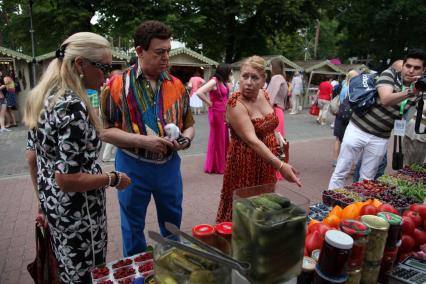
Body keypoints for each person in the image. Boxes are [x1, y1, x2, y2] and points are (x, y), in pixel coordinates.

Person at [23, 32, 131, 283]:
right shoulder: (72, 106)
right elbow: (68, 179)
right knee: (86, 275)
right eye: (104, 67)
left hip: (54, 206)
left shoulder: (43, 97)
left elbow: (32, 157)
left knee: (66, 269)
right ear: (80, 63)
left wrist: (42, 202)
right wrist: (112, 178)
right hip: (78, 214)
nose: (106, 74)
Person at [100, 20, 195, 256]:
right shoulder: (116, 85)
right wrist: (143, 141)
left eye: (168, 52)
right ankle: (136, 274)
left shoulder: (177, 86)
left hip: (168, 166)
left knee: (172, 222)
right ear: (140, 51)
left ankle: (173, 265)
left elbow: (190, 126)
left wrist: (185, 139)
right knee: (132, 226)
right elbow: (106, 130)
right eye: (159, 52)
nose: (166, 58)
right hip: (132, 166)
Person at [216, 56, 301, 223]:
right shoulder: (235, 104)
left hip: (267, 163)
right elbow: (252, 140)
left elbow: (269, 120)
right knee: (245, 210)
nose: (248, 82)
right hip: (246, 164)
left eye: (254, 77)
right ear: (238, 77)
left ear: (263, 80)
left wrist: (275, 134)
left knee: (265, 206)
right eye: (245, 76)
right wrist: (281, 165)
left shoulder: (264, 94)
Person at [329, 49, 425, 189]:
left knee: (367, 179)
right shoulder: (390, 74)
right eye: (408, 66)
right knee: (341, 171)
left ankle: (358, 208)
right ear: (403, 65)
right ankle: (329, 206)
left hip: (380, 137)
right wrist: (411, 91)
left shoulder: (422, 86)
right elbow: (385, 99)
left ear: (423, 70)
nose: (411, 70)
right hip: (358, 129)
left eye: (416, 68)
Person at [195, 64, 231, 174]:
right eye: (229, 72)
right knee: (218, 139)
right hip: (216, 113)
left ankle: (221, 164)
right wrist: (209, 102)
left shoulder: (222, 81)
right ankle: (217, 166)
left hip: (222, 113)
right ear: (225, 72)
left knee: (223, 138)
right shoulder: (214, 81)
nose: (230, 74)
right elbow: (199, 92)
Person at [332, 70, 359, 167]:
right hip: (349, 116)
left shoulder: (342, 86)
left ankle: (335, 160)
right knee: (350, 141)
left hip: (340, 114)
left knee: (338, 139)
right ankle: (351, 164)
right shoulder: (353, 88)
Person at [266, 58, 288, 137]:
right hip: (279, 111)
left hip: (274, 111)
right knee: (279, 139)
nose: (270, 68)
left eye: (270, 66)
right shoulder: (282, 78)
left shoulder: (276, 78)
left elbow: (269, 97)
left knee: (273, 139)